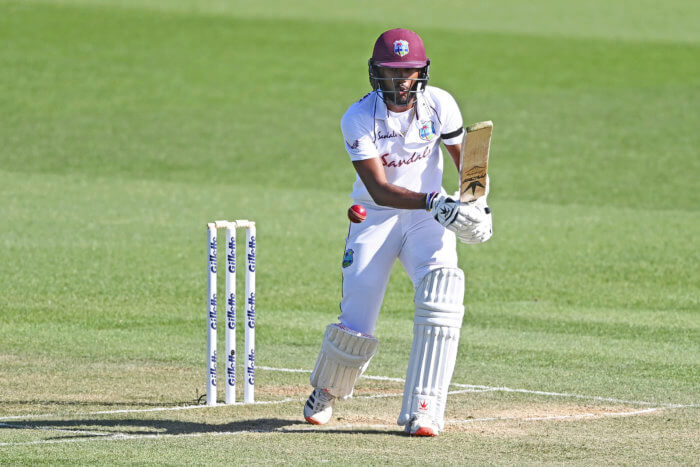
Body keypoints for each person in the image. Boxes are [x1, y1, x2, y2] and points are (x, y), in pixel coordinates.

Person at [303, 28, 492, 436]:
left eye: (407, 72)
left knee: (443, 293)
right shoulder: (357, 117)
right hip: (376, 216)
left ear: (421, 72)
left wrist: (478, 203)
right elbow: (379, 188)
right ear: (376, 74)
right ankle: (327, 391)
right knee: (357, 316)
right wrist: (432, 201)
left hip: (429, 218)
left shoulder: (440, 104)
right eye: (391, 72)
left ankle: (425, 408)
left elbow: (468, 164)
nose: (400, 81)